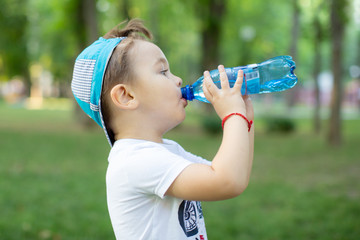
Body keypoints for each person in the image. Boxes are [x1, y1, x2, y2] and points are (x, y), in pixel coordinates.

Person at [71, 19, 254, 240]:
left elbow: (232, 173)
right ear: (126, 96)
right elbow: (227, 181)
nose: (177, 80)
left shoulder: (164, 151)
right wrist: (234, 116)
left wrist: (244, 120)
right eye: (163, 72)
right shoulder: (135, 162)